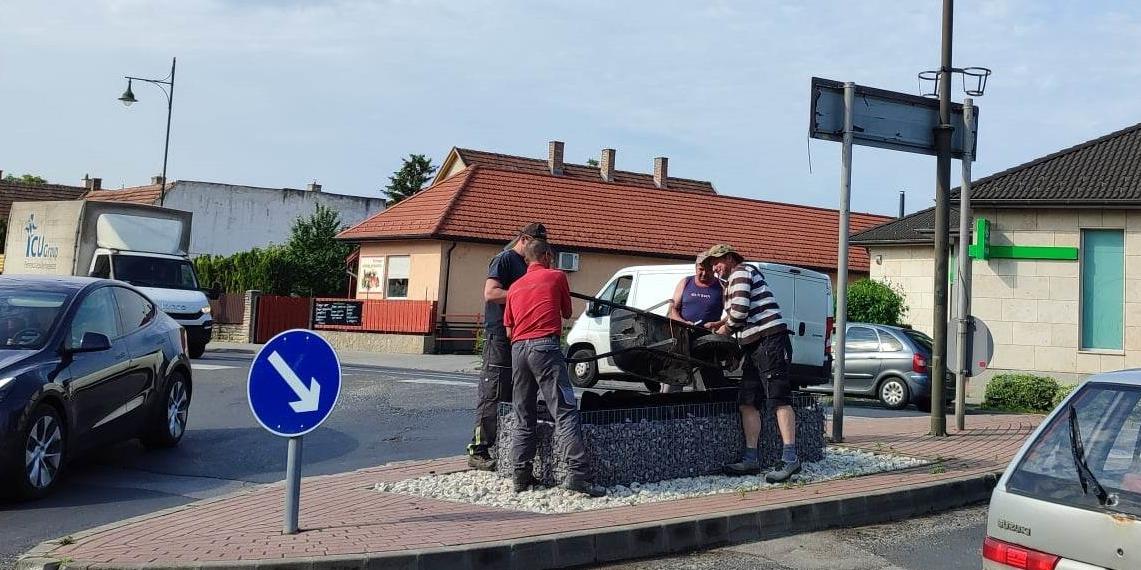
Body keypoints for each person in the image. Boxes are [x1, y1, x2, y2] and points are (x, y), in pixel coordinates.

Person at [504, 239, 604, 497]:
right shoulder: (556, 276)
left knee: (523, 412)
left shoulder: (514, 287)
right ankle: (577, 475)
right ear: (547, 255)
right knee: (565, 410)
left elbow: (509, 327)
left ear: (527, 260)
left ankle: (521, 476)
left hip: (518, 349)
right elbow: (566, 310)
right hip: (544, 346)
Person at [704, 244, 800, 483]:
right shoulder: (737, 278)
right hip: (755, 344)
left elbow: (739, 314)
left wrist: (721, 333)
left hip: (769, 340)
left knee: (778, 398)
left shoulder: (740, 273)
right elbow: (739, 310)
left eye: (716, 262)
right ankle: (751, 458)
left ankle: (790, 458)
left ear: (728, 258)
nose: (714, 268)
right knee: (747, 401)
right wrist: (722, 323)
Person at [466, 222, 549, 471]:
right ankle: (478, 449)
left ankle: (506, 446)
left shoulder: (528, 264)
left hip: (522, 335)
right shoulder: (503, 260)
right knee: (493, 391)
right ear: (523, 239)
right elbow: (491, 293)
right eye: (535, 244)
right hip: (499, 336)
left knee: (520, 392)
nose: (539, 249)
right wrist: (522, 292)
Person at [663, 253, 726, 393]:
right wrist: (683, 323)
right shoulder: (686, 282)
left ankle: (717, 410)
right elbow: (672, 308)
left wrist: (718, 324)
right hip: (682, 339)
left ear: (714, 269)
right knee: (673, 380)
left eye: (708, 269)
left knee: (714, 383)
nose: (704, 273)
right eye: (701, 269)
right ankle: (668, 408)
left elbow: (732, 313)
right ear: (696, 267)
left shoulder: (721, 286)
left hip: (708, 341)